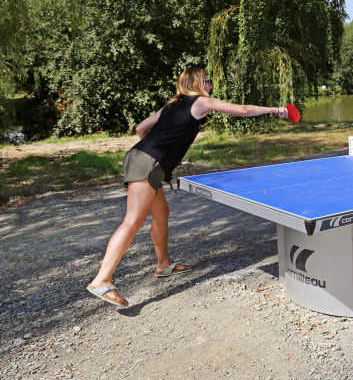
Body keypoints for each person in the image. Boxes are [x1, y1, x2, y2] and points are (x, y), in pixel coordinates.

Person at [87, 67, 289, 306]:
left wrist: (156, 151)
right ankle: (102, 280)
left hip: (141, 158)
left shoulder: (171, 106)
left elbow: (141, 128)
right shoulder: (201, 102)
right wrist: (277, 110)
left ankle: (163, 264)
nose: (211, 86)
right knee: (132, 221)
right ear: (198, 83)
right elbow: (243, 110)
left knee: (161, 213)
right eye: (208, 81)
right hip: (148, 163)